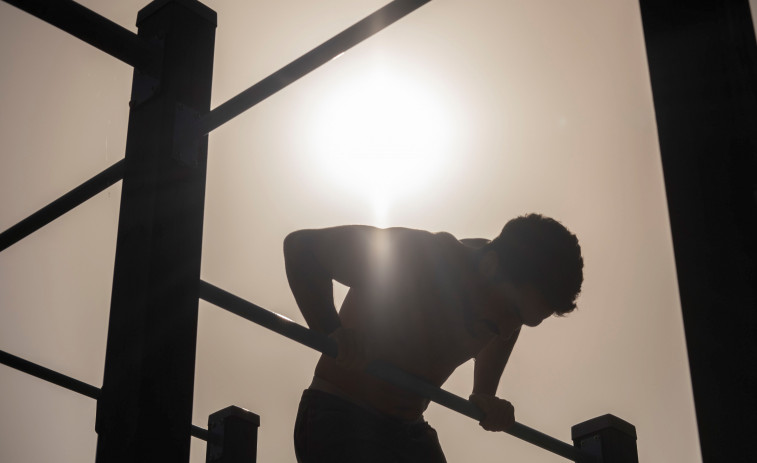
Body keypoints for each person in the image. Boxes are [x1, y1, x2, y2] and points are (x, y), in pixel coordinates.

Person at [284, 213, 584, 463]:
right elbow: (302, 247)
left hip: (408, 429)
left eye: (523, 322)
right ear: (491, 266)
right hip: (340, 416)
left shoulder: (503, 308)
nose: (507, 329)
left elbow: (506, 330)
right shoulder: (417, 257)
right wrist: (329, 332)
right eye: (512, 312)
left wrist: (485, 392)